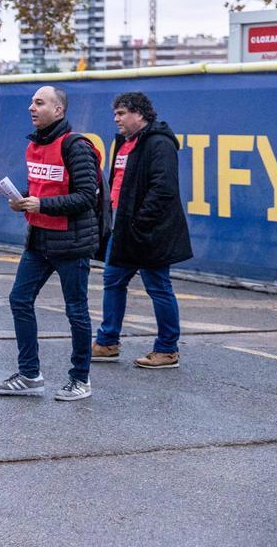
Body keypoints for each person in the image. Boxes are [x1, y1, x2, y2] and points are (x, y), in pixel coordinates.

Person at [0, 85, 101, 402]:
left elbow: (85, 197)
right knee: (19, 300)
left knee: (76, 312)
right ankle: (29, 375)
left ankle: (80, 379)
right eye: (31, 102)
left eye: (39, 103)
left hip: (71, 242)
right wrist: (22, 199)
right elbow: (42, 186)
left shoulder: (76, 146)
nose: (31, 108)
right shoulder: (34, 146)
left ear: (59, 110)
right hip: (39, 239)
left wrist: (42, 205)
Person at [93, 92, 191, 369]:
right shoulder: (124, 144)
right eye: (115, 114)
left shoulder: (159, 143)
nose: (116, 119)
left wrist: (139, 222)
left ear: (140, 114)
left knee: (158, 287)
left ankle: (167, 350)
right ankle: (107, 342)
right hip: (122, 231)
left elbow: (163, 189)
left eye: (121, 113)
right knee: (112, 281)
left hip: (149, 233)